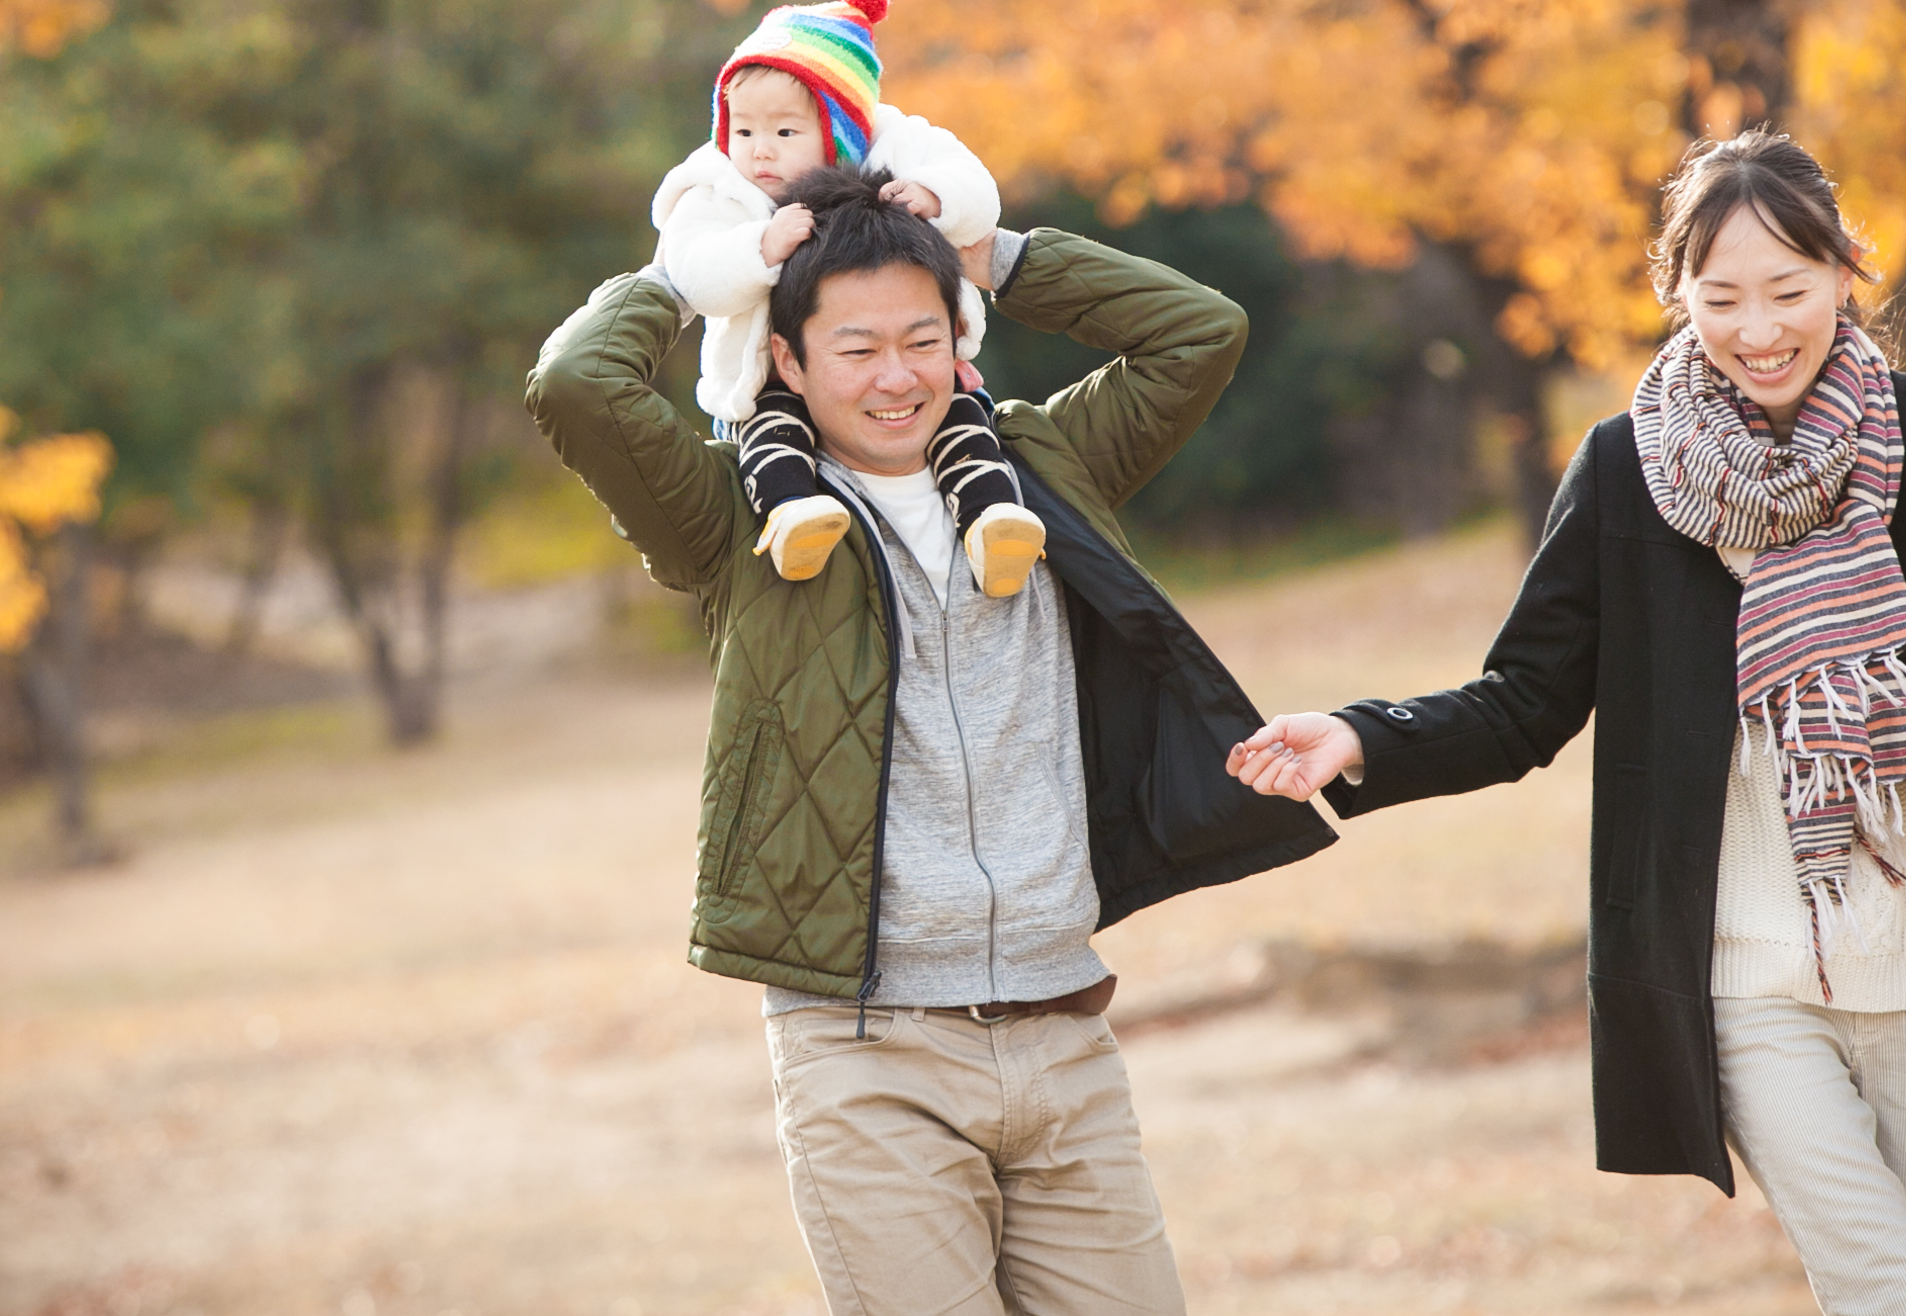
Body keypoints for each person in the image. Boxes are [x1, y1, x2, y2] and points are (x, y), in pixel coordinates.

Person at [1225, 130, 1906, 1316]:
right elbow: (1525, 701)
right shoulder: (1626, 470)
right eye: (1722, 297)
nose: (1759, 330)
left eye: (1788, 290)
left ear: (1844, 273)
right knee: (1891, 1295)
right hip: (1745, 979)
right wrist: (1363, 738)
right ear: (1677, 293)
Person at [529, 164, 1336, 1315]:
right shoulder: (737, 516)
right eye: (856, 348)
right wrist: (704, 270)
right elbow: (577, 382)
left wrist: (988, 250)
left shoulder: (1044, 465)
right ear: (787, 360)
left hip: (1065, 1036)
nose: (897, 377)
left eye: (922, 339)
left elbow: (1198, 331)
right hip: (868, 1060)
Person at [650, 0, 1048, 596]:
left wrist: (934, 195)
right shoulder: (719, 189)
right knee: (772, 435)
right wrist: (759, 247)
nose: (759, 153)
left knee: (966, 420)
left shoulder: (896, 143)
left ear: (838, 129)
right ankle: (792, 516)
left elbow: (977, 189)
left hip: (907, 370)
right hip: (765, 379)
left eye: (785, 134)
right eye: (744, 131)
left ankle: (993, 523)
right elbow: (693, 274)